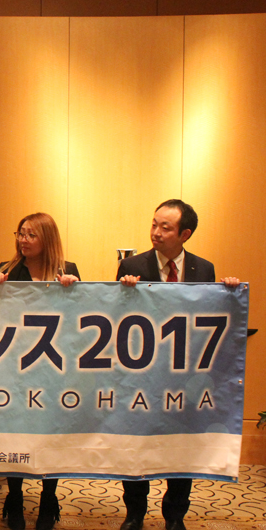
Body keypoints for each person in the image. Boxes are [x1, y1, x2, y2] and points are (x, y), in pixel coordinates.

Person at [116, 199, 240, 530]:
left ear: (184, 234)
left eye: (165, 227)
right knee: (136, 444)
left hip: (185, 376)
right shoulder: (132, 265)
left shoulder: (204, 269)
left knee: (183, 446)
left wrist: (228, 292)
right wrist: (123, 291)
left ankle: (174, 516)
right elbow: (118, 317)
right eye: (154, 224)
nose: (156, 232)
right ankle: (135, 514)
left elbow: (209, 314)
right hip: (143, 374)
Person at [0, 212, 80, 530]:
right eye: (20, 233)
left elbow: (81, 315)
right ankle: (14, 497)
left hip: (54, 365)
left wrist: (74, 289)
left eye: (30, 235)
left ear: (47, 239)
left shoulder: (68, 270)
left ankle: (48, 499)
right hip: (16, 364)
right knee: (16, 432)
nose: (22, 240)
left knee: (50, 434)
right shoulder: (8, 269)